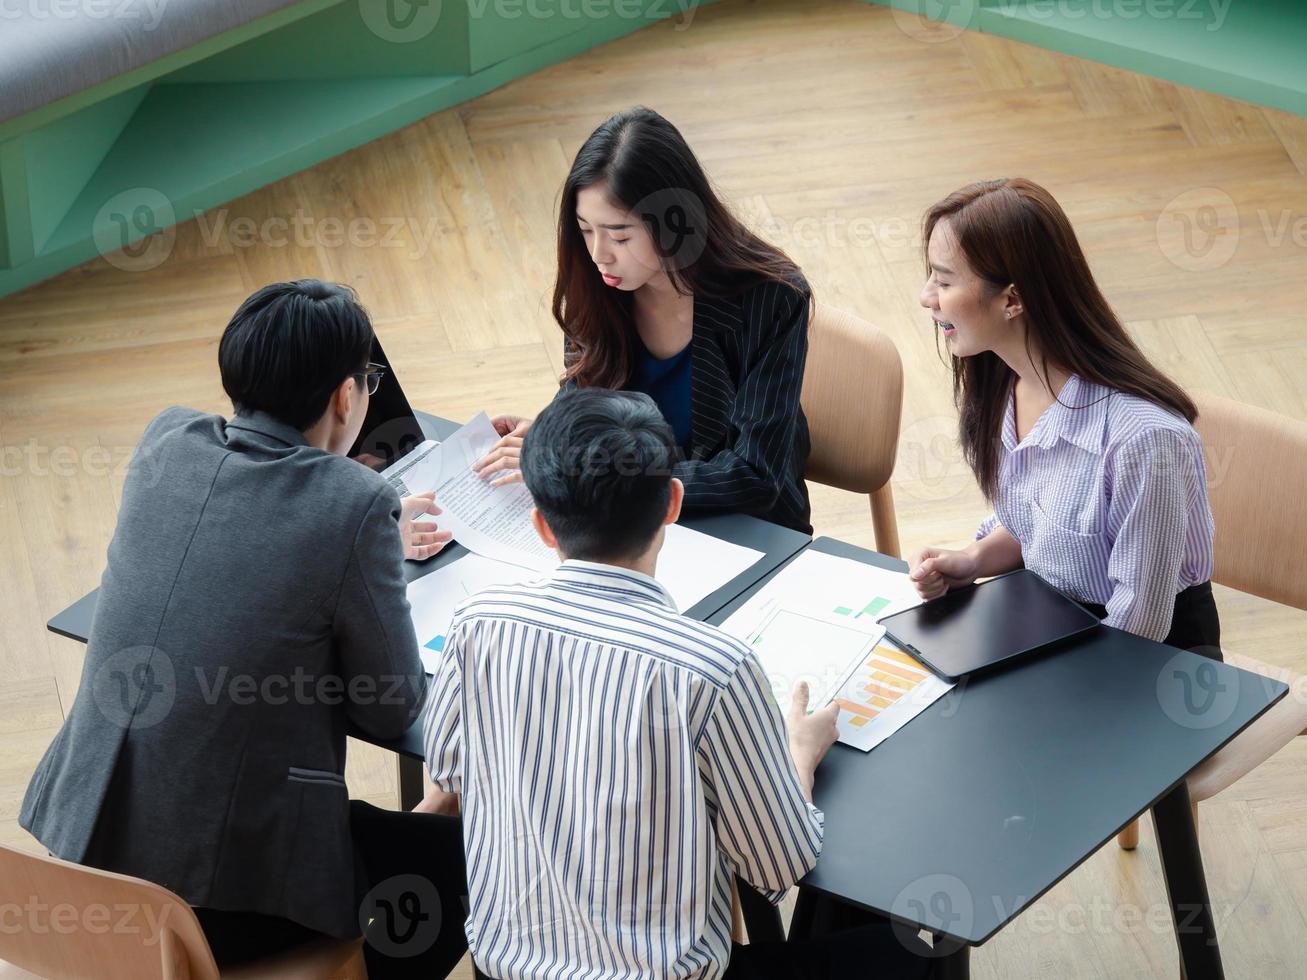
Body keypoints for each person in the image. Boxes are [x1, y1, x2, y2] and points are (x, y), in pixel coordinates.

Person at [20, 280, 468, 975]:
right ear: (347, 397)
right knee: (462, 866)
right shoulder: (355, 504)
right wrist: (363, 538)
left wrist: (362, 539)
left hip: (81, 846)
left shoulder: (166, 441)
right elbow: (393, 706)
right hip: (215, 901)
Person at [418, 387, 931, 979]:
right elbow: (778, 863)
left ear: (541, 524)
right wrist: (799, 755)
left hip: (505, 970)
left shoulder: (477, 625)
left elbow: (452, 769)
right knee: (904, 948)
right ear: (673, 502)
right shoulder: (713, 669)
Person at [908, 178, 1220, 657]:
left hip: (1146, 658)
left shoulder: (1147, 441)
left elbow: (1140, 622)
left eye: (945, 281)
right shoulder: (1002, 385)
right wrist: (974, 559)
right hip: (1053, 619)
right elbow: (1047, 526)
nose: (927, 296)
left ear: (1012, 300)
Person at [474, 106, 816, 534]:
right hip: (627, 526)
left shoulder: (772, 298)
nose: (599, 253)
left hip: (741, 530)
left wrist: (589, 465)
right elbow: (587, 397)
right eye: (585, 230)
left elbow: (754, 475)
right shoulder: (599, 284)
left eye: (619, 235)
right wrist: (551, 439)